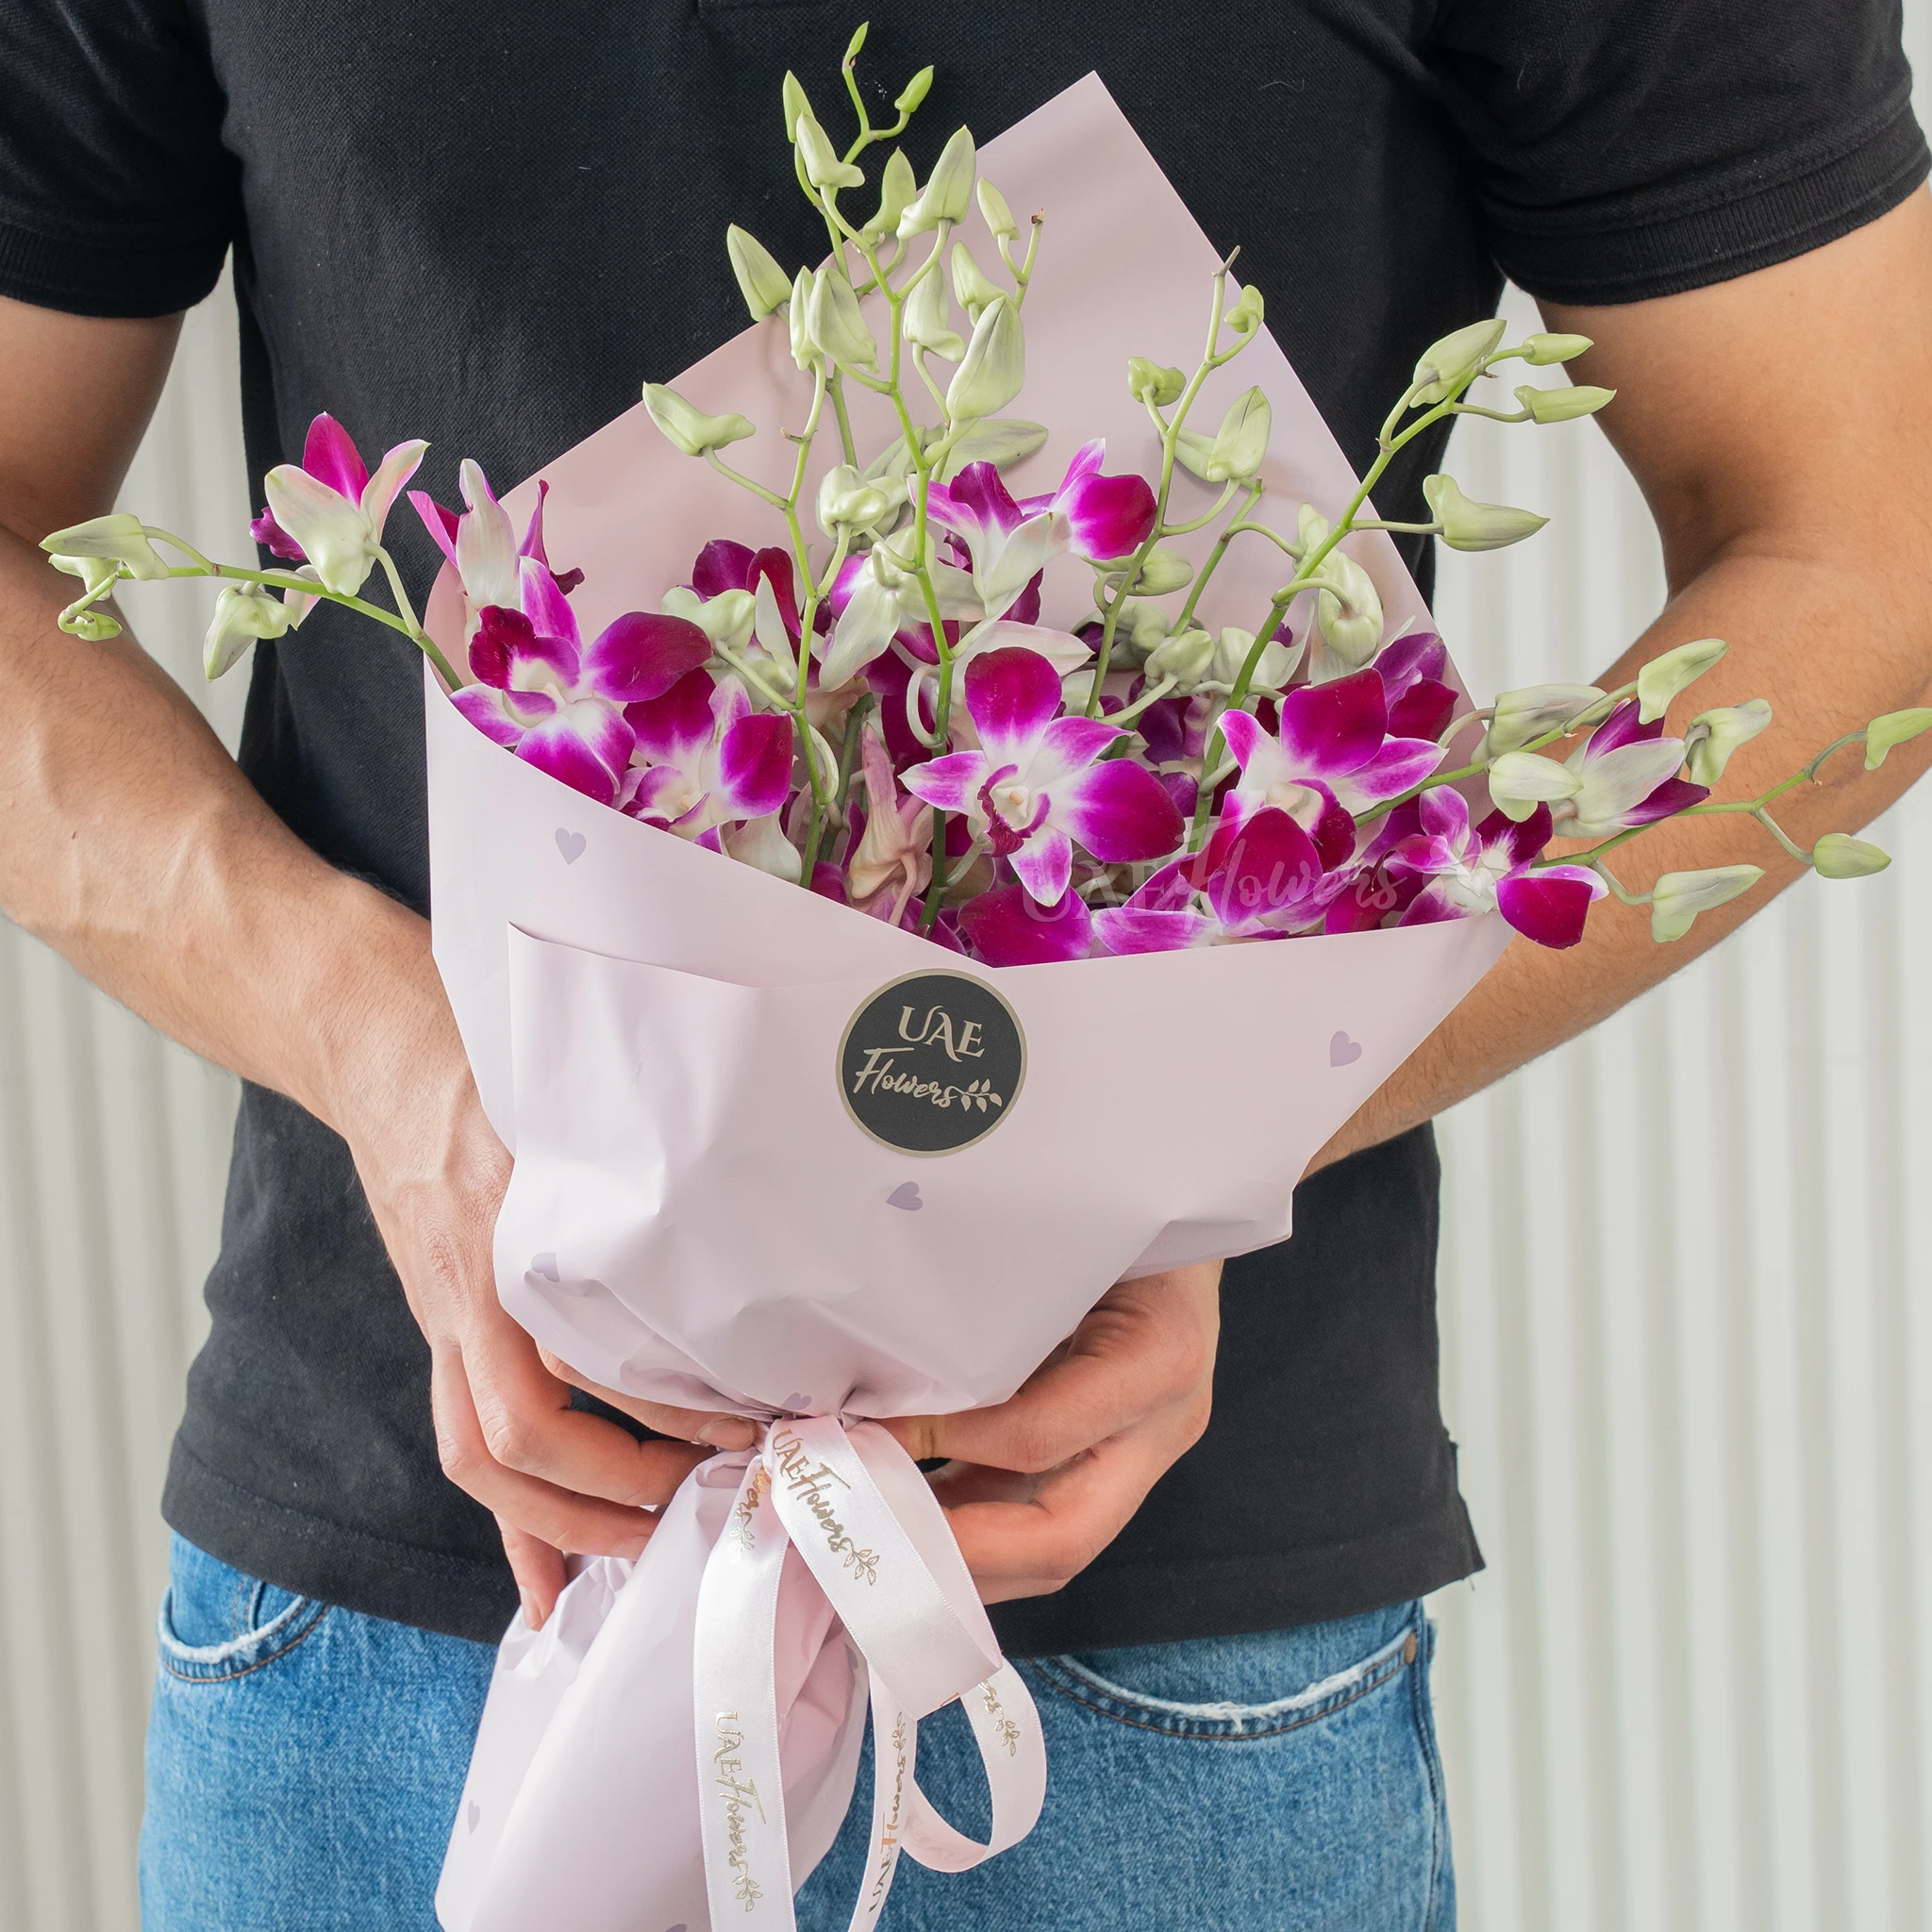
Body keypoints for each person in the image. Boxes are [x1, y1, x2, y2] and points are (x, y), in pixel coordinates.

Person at [3, 0, 1930, 1924]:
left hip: (1154, 1645)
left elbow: (1872, 540)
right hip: (396, 1620)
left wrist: (1193, 1123)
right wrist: (375, 1044)